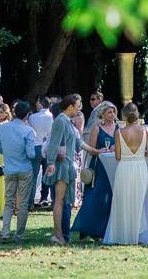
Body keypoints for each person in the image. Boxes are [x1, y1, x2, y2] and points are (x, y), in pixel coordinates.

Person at [43, 94, 106, 245]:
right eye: (78, 105)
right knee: (59, 200)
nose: (79, 108)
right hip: (62, 166)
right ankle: (58, 235)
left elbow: (79, 143)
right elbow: (53, 143)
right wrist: (51, 162)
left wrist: (96, 151)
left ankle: (61, 235)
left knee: (64, 201)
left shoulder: (68, 122)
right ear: (70, 106)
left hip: (69, 165)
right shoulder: (60, 120)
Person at [105, 103, 148, 245]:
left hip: (124, 168)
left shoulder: (119, 132)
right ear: (137, 114)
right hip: (140, 167)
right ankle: (137, 234)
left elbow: (118, 156)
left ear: (124, 116)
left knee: (122, 201)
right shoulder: (146, 131)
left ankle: (122, 234)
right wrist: (139, 153)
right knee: (138, 201)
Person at [72, 101, 117, 241]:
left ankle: (105, 229)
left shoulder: (118, 127)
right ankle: (90, 228)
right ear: (102, 114)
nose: (112, 114)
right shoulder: (97, 128)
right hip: (99, 165)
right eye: (109, 112)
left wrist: (116, 148)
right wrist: (99, 151)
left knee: (110, 197)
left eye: (114, 112)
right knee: (96, 196)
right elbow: (91, 149)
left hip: (113, 165)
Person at [0, 102, 36, 243]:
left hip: (9, 169)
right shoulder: (29, 131)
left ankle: (5, 232)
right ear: (27, 114)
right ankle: (19, 235)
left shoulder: (4, 128)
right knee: (23, 204)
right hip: (25, 169)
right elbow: (31, 154)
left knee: (9, 202)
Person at [28, 95, 54, 208]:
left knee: (33, 176)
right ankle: (44, 198)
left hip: (36, 146)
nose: (36, 104)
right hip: (48, 148)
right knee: (47, 174)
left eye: (38, 102)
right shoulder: (53, 117)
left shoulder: (33, 117)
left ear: (42, 104)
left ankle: (30, 202)